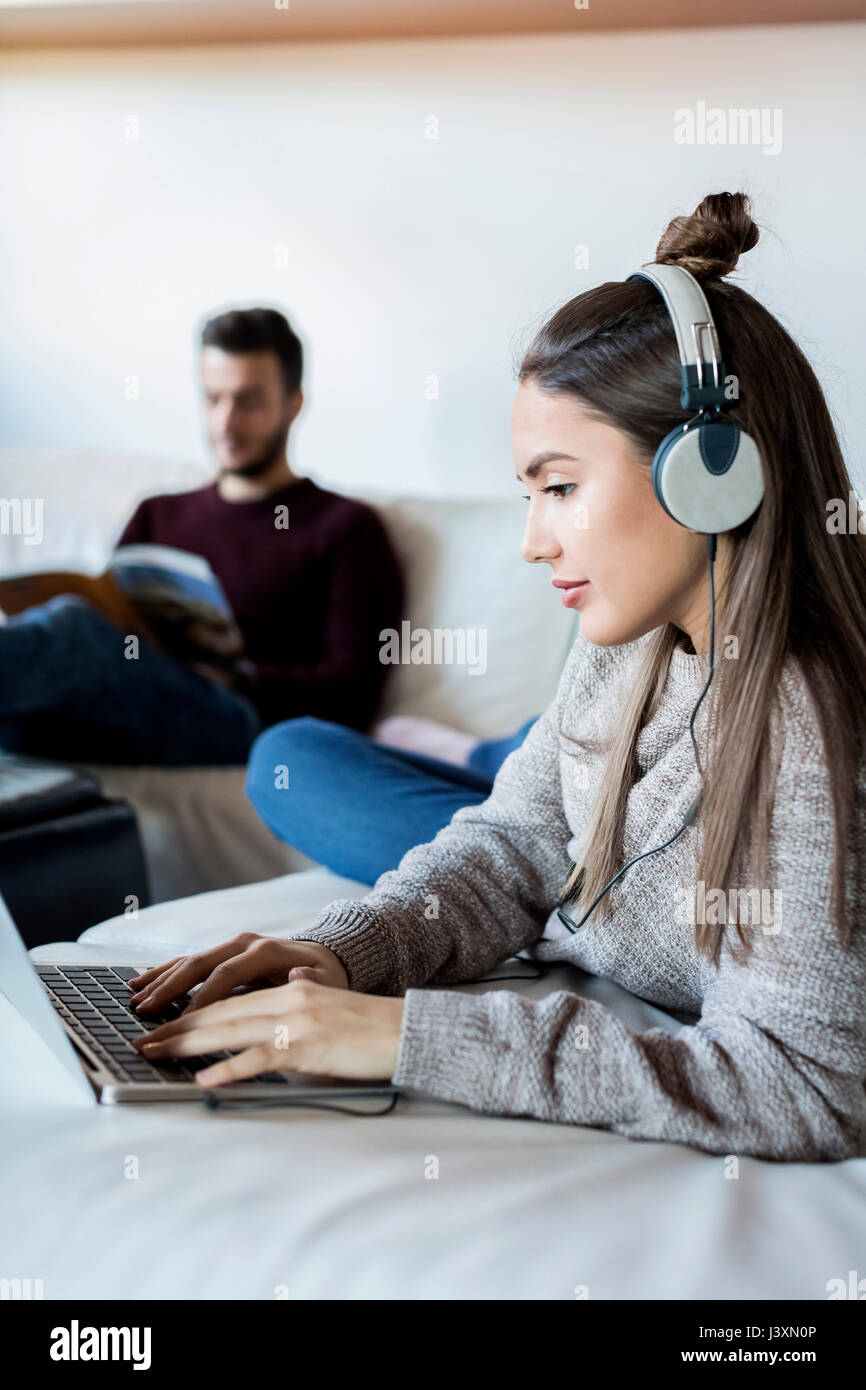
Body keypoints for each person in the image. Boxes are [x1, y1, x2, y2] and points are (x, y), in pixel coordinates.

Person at [130, 193, 866, 1162]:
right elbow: (518, 838)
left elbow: (802, 1084)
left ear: (710, 472)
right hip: (556, 837)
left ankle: (473, 764)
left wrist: (408, 1036)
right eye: (528, 494)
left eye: (559, 486)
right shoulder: (625, 635)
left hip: (599, 866)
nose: (531, 540)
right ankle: (475, 761)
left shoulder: (805, 723)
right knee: (299, 759)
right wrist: (347, 952)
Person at [0, 308, 404, 765]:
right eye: (213, 399)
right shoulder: (158, 513)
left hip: (240, 717)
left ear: (294, 404)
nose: (226, 423)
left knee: (72, 630)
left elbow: (352, 695)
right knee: (19, 722)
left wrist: (235, 677)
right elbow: (111, 635)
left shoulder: (346, 528)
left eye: (248, 401)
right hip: (121, 700)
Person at [244, 713, 538, 885]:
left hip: (550, 851)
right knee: (282, 755)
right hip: (547, 769)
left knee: (283, 758)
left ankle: (489, 757)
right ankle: (489, 756)